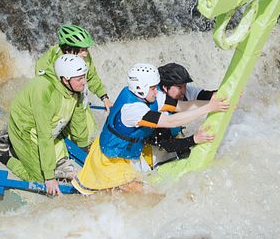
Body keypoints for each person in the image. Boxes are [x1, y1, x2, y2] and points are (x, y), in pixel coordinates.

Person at [73, 63, 228, 193]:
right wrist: (207, 109)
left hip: (127, 155)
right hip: (109, 159)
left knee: (145, 191)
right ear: (141, 88)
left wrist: (216, 103)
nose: (157, 91)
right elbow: (170, 121)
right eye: (153, 88)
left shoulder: (152, 96)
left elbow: (183, 106)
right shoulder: (132, 110)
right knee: (149, 194)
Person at [4, 54, 94, 196]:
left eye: (84, 76)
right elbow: (43, 133)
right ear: (65, 80)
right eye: (79, 79)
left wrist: (85, 156)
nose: (84, 82)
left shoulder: (75, 89)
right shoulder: (44, 91)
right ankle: (4, 155)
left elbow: (79, 124)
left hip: (52, 129)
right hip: (25, 129)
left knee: (59, 165)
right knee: (38, 179)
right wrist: (49, 177)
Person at [150, 62, 226, 163]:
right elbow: (167, 145)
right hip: (154, 153)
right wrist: (194, 139)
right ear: (164, 87)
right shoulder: (157, 105)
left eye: (184, 86)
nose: (184, 91)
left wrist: (227, 94)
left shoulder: (184, 92)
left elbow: (208, 95)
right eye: (179, 87)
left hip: (174, 141)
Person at [34, 24, 111, 111]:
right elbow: (42, 82)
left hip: (77, 97)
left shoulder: (85, 56)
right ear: (68, 50)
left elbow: (92, 77)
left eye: (86, 49)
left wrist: (104, 97)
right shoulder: (54, 60)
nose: (86, 54)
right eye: (82, 50)